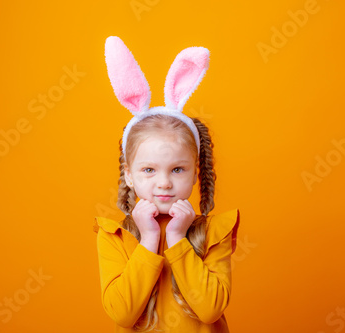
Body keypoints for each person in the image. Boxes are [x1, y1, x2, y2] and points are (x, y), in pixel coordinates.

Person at [93, 36, 240, 332]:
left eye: (177, 169)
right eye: (148, 169)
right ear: (129, 176)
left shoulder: (214, 234)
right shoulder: (115, 237)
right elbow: (122, 314)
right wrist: (148, 239)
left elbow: (210, 310)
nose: (164, 183)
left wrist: (177, 238)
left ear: (195, 173)